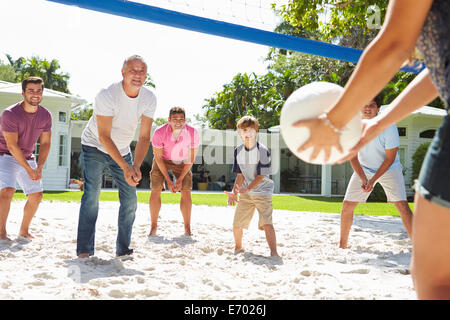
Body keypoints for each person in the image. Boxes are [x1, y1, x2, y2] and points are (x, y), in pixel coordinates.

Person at [293, 0, 449, 299]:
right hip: (368, 167)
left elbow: (393, 45)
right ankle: (343, 244)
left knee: (435, 281)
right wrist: (377, 125)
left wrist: (333, 120)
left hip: (387, 170)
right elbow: (437, 74)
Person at [77, 55, 156, 259]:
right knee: (92, 194)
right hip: (94, 144)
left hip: (122, 149)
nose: (137, 75)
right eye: (133, 70)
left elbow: (145, 136)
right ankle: (84, 249)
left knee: (130, 199)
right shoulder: (107, 94)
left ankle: (123, 249)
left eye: (142, 71)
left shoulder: (149, 98)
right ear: (123, 72)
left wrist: (136, 166)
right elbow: (104, 136)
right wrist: (125, 167)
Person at [339, 97, 413, 249]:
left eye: (372, 106)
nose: (367, 109)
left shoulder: (389, 126)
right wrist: (363, 178)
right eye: (364, 105)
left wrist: (372, 181)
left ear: (379, 109)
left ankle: (419, 247)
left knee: (402, 206)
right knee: (347, 206)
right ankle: (342, 246)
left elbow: (390, 159)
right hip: (364, 169)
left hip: (389, 169)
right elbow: (352, 156)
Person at [0, 77, 52, 241]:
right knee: (7, 191)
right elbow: (12, 145)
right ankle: (1, 233)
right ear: (23, 93)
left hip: (28, 156)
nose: (35, 94)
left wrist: (39, 167)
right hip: (5, 155)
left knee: (36, 196)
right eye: (31, 90)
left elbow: (45, 143)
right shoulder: (10, 114)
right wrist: (29, 169)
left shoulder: (45, 115)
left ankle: (23, 231)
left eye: (38, 91)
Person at [225, 116, 279, 257]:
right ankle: (238, 248)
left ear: (256, 131)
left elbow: (261, 176)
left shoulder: (262, 151)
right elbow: (240, 175)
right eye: (244, 130)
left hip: (263, 191)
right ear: (239, 133)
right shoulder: (238, 150)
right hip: (246, 192)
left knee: (267, 223)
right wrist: (234, 192)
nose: (247, 133)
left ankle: (274, 253)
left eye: (251, 130)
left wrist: (247, 188)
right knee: (237, 224)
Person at [149, 107, 199, 236]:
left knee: (186, 192)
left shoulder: (193, 132)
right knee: (155, 189)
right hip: (163, 160)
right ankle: (153, 226)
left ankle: (187, 228)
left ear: (185, 120)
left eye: (181, 119)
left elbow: (191, 158)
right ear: (169, 120)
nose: (178, 122)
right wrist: (168, 180)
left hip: (182, 160)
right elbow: (158, 158)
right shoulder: (159, 132)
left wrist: (180, 179)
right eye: (175, 119)